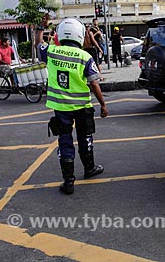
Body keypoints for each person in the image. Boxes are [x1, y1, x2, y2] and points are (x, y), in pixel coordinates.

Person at [43, 18, 108, 195]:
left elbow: (37, 45)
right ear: (79, 35)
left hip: (61, 107)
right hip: (82, 107)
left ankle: (69, 181)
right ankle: (89, 168)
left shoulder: (52, 51)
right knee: (85, 137)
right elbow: (94, 84)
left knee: (65, 141)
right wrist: (103, 105)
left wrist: (41, 27)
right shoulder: (85, 57)